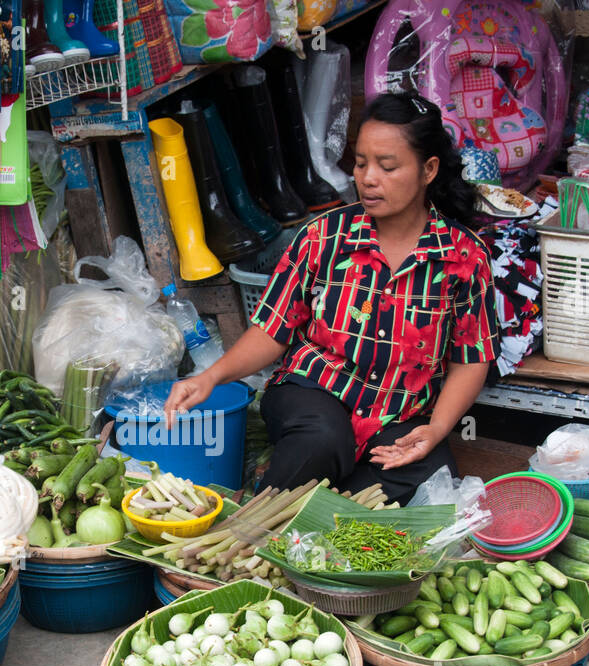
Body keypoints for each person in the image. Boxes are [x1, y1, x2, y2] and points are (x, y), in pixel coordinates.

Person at [163, 91, 498, 503]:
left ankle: (311, 509)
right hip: (313, 393)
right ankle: (254, 531)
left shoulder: (463, 257)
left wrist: (436, 429)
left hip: (396, 412)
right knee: (322, 439)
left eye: (387, 166)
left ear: (428, 170)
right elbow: (272, 328)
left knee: (432, 478)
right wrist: (210, 377)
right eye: (360, 163)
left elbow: (472, 357)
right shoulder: (325, 235)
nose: (368, 178)